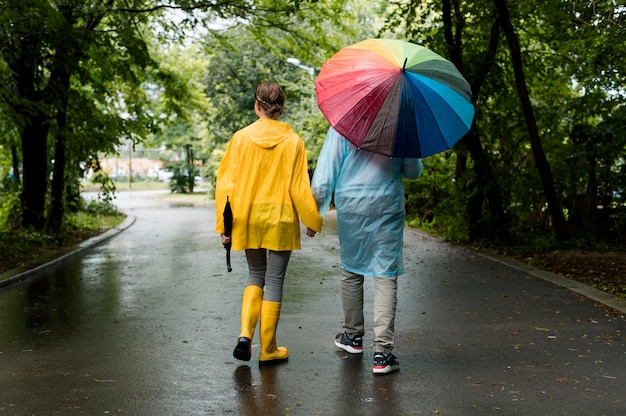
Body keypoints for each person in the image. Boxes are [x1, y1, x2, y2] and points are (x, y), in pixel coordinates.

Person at [215, 82, 323, 365]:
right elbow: (300, 187)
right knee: (274, 280)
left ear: (257, 106)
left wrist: (225, 227)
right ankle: (268, 349)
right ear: (281, 108)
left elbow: (226, 186)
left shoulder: (240, 139)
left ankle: (244, 336)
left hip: (248, 217)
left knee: (255, 276)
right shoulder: (294, 141)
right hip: (280, 218)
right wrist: (311, 220)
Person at [311, 127, 423, 374]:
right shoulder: (399, 124)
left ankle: (352, 337)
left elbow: (324, 178)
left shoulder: (343, 125)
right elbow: (413, 172)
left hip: (352, 206)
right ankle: (382, 354)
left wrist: (314, 214)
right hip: (387, 205)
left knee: (351, 269)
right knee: (385, 274)